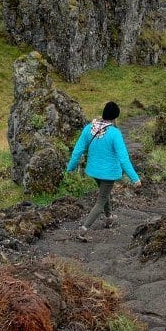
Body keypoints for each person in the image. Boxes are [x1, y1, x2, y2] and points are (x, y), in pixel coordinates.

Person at [66, 101, 141, 241]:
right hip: (108, 173)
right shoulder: (115, 133)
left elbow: (78, 151)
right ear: (115, 117)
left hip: (94, 171)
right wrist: (134, 178)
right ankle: (83, 229)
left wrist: (70, 167)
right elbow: (123, 158)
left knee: (103, 194)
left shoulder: (89, 128)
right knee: (101, 200)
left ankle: (109, 218)